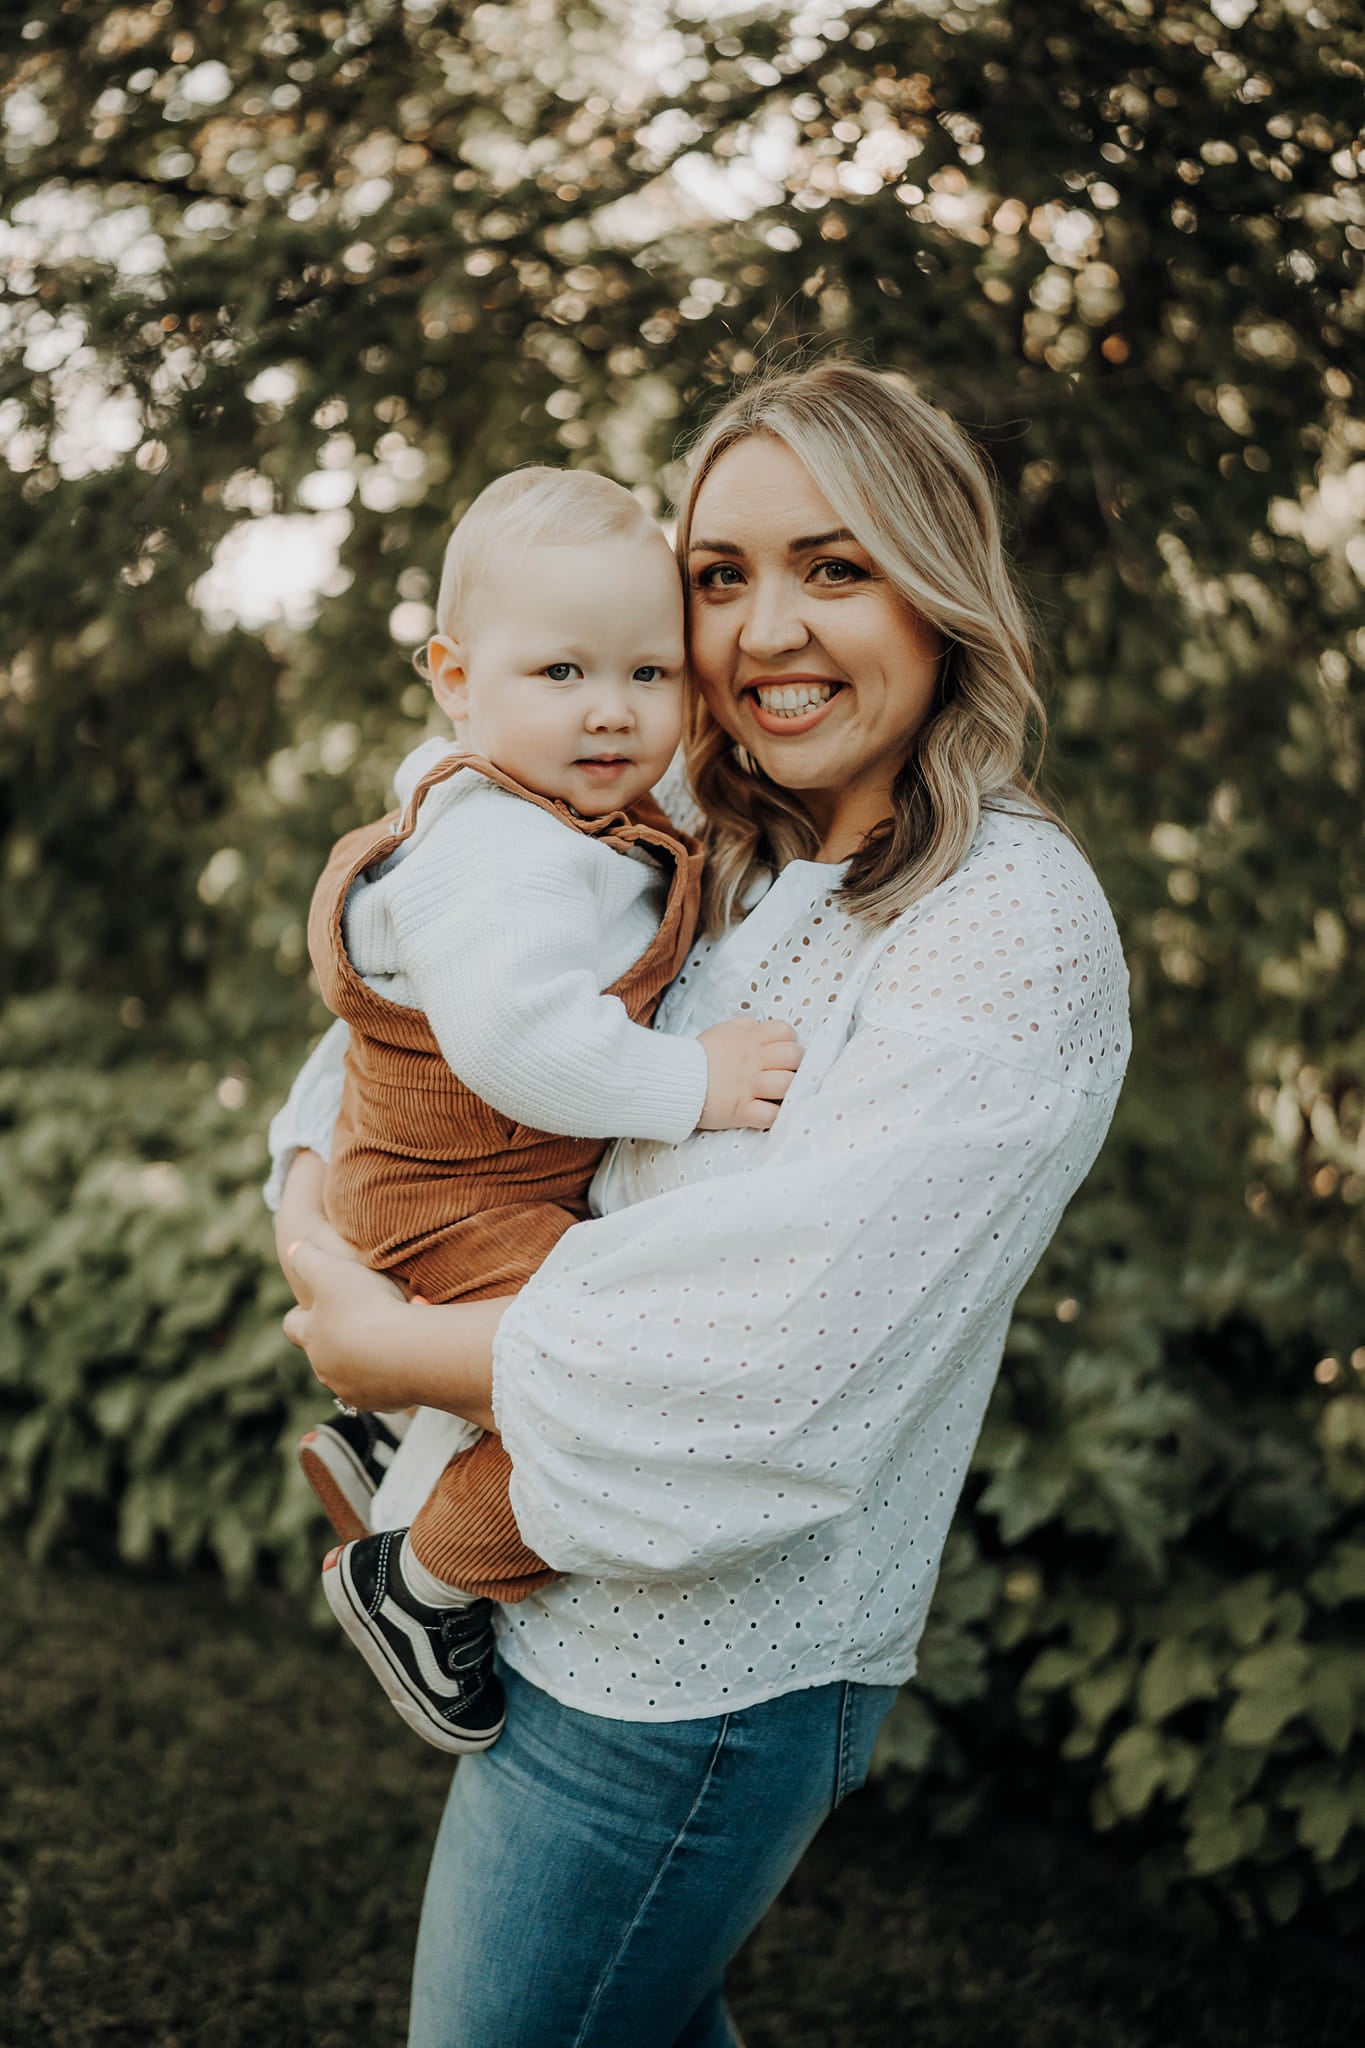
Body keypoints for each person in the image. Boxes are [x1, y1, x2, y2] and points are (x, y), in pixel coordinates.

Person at [271, 362, 1130, 2048]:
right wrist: (314, 1199)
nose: (766, 632)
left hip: (702, 1668)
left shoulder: (1004, 933)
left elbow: (772, 1366)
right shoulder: (689, 825)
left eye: (833, 565)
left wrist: (392, 1350)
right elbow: (436, 1017)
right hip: (566, 1591)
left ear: (937, 584)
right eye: (720, 578)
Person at [279, 464, 803, 1755]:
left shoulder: (558, 808)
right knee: (609, 1405)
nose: (611, 713)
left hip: (457, 1179)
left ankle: (399, 1430)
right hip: (456, 1192)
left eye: (648, 675)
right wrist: (697, 1085)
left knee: (579, 1357)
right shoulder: (496, 852)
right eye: (560, 675)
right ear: (457, 682)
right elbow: (521, 1047)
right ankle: (422, 1582)